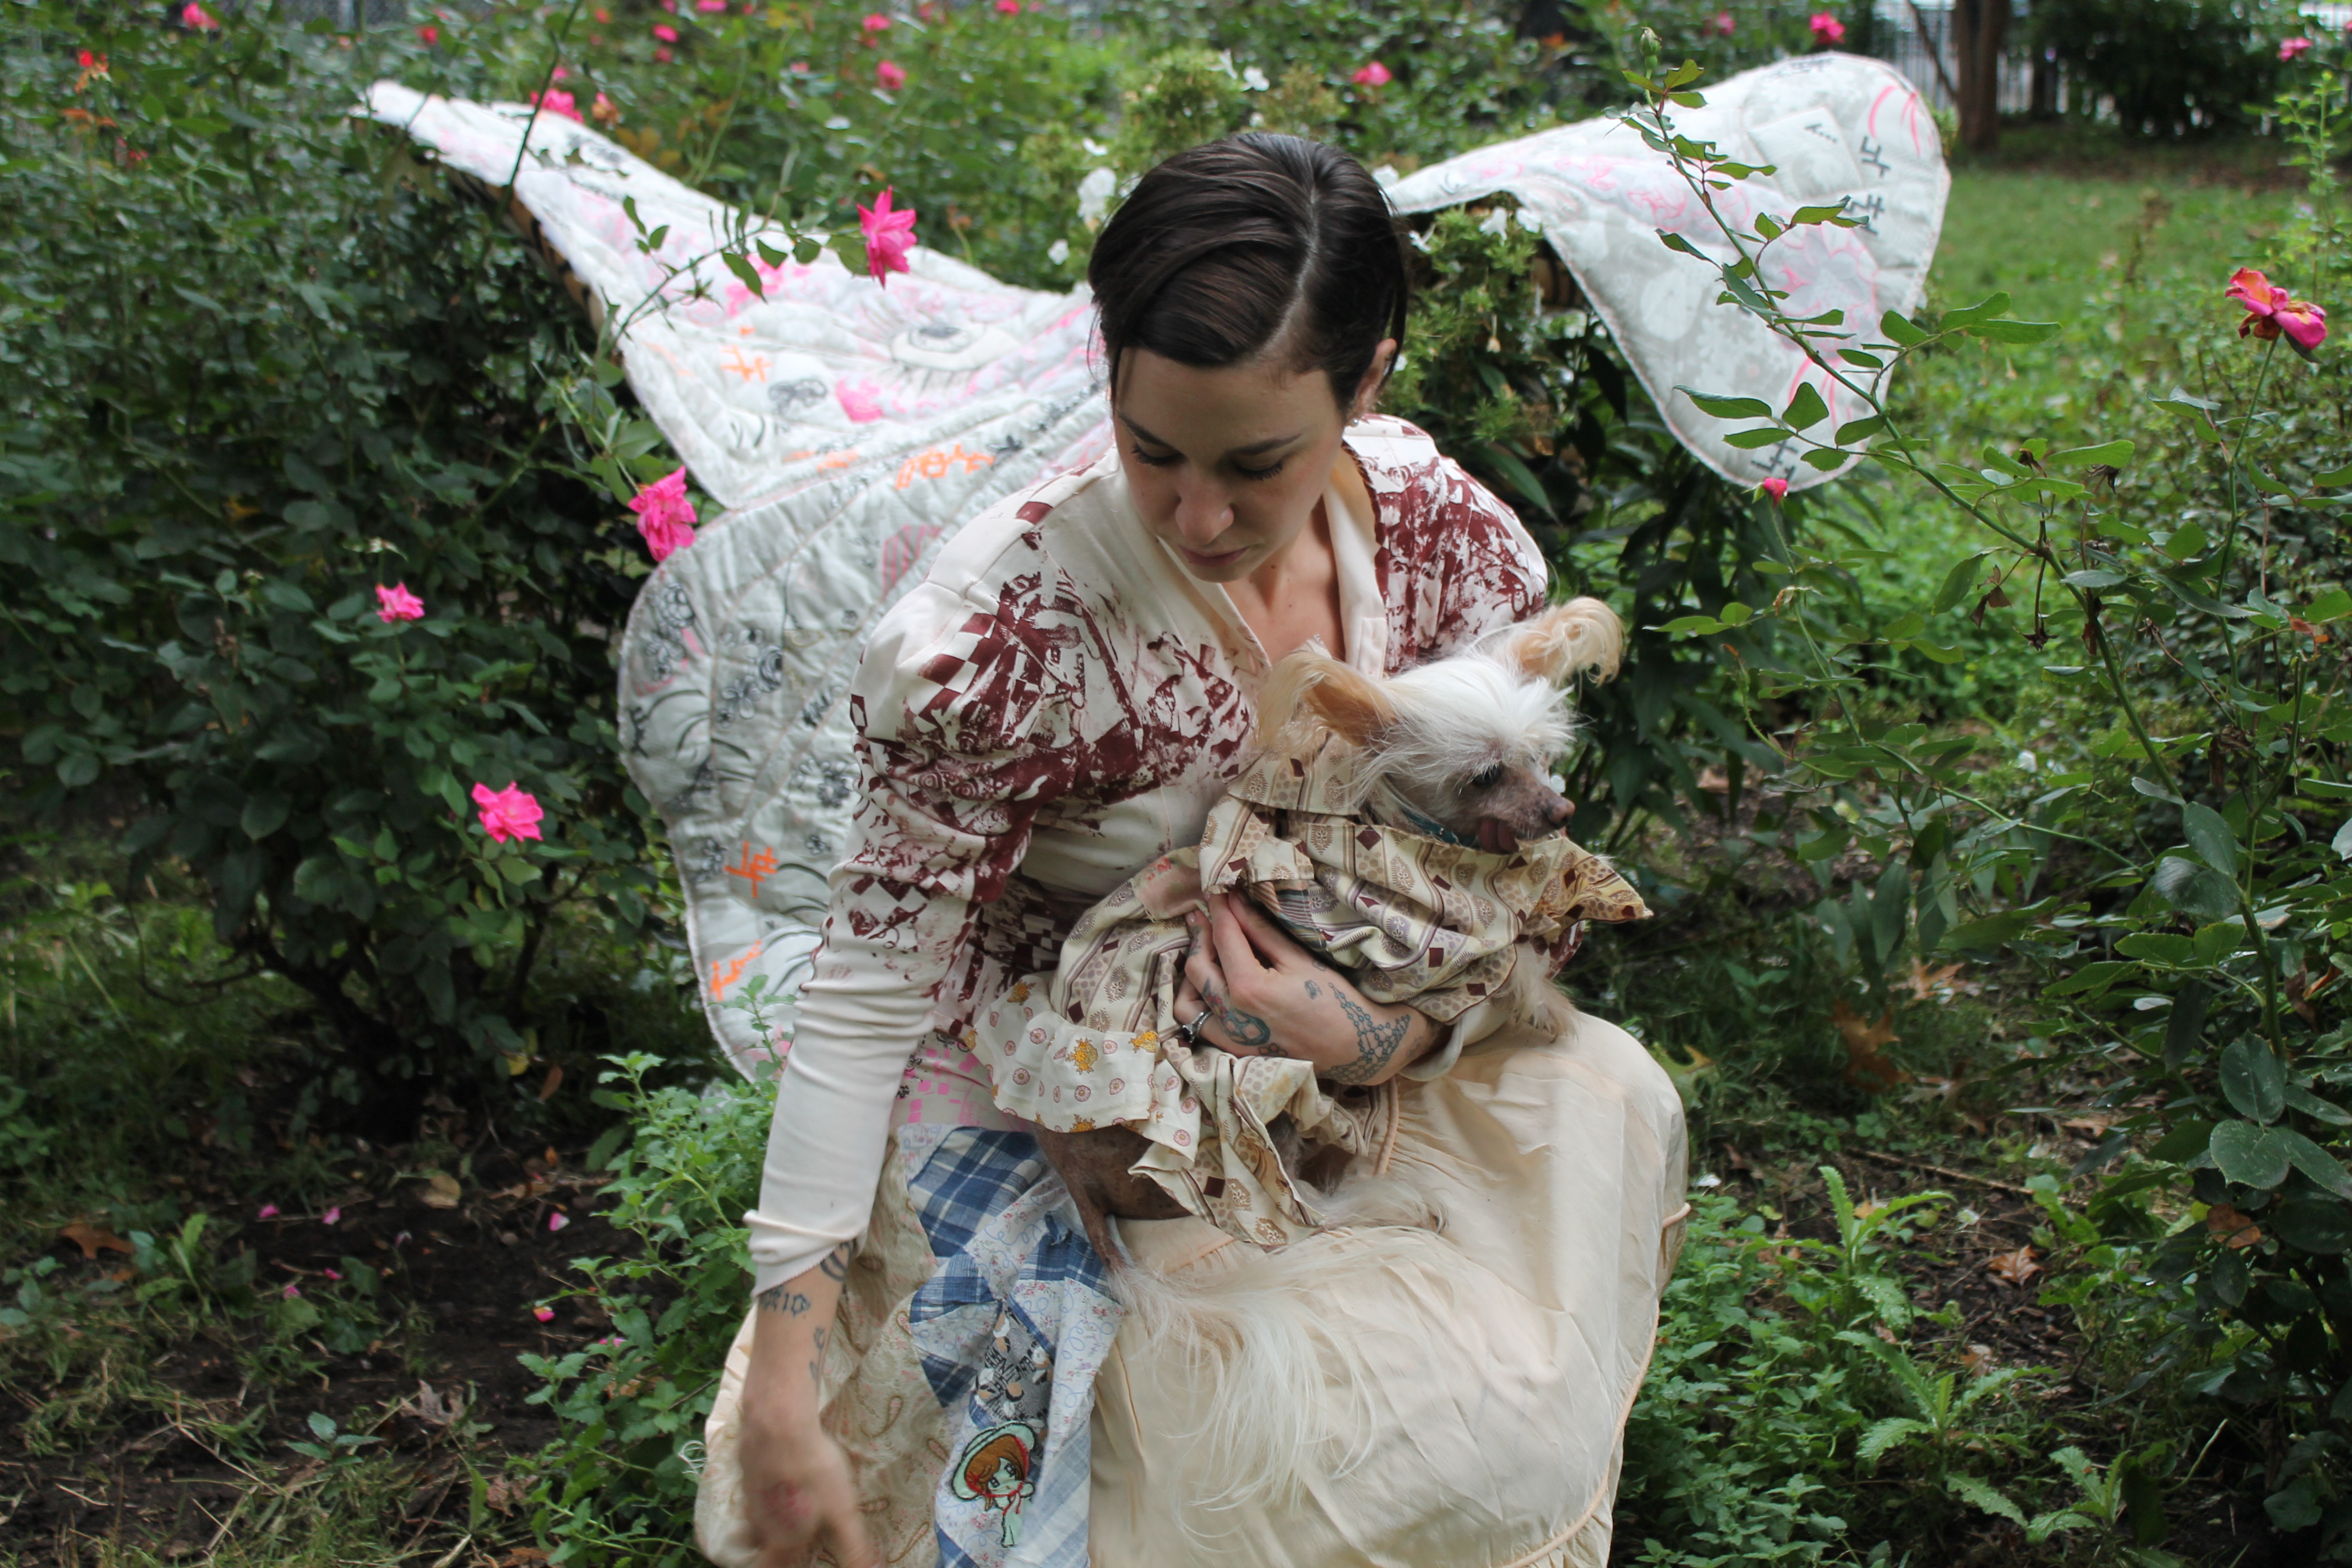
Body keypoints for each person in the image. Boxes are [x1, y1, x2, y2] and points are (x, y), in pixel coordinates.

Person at [698, 132, 1689, 1568]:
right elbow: (866, 995)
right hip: (1071, 1085)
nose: (1202, 516)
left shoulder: (1446, 553)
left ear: (1367, 383)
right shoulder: (1012, 636)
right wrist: (788, 1361)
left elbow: (1494, 894)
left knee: (1595, 1119)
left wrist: (1364, 1034)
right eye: (1152, 450)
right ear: (1106, 373)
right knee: (1175, 1477)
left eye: (1257, 463)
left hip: (1353, 1039)